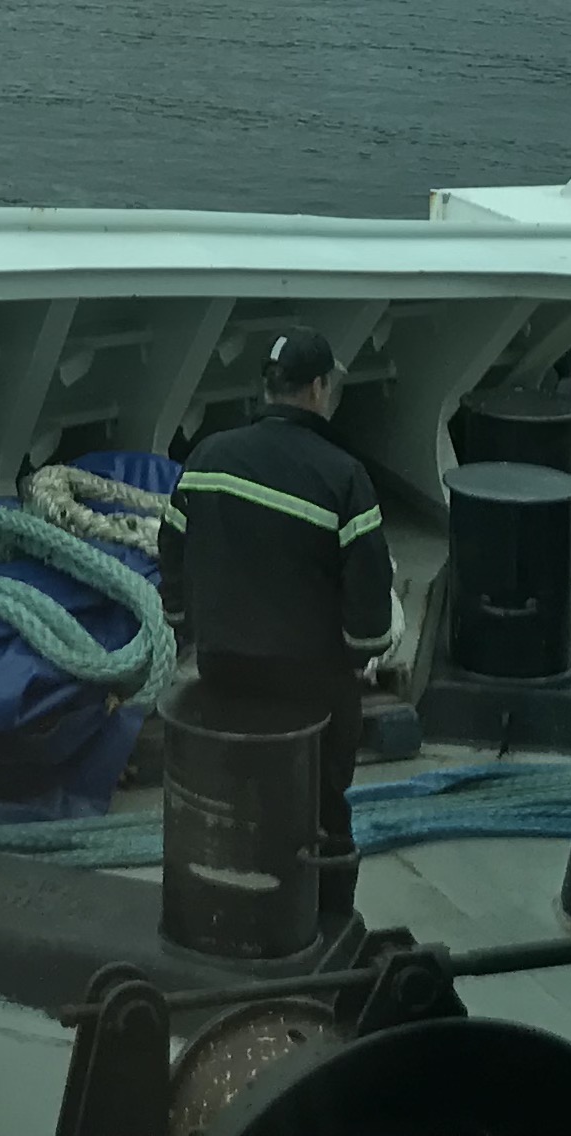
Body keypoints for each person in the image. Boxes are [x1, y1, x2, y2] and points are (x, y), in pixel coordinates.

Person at [175, 329, 394, 931]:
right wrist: (361, 652)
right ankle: (327, 921)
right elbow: (370, 609)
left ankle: (232, 904)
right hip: (309, 683)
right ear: (321, 387)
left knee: (237, 794)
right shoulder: (344, 477)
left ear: (267, 388)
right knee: (324, 803)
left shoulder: (207, 459)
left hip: (221, 667)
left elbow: (172, 555)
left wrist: (188, 628)